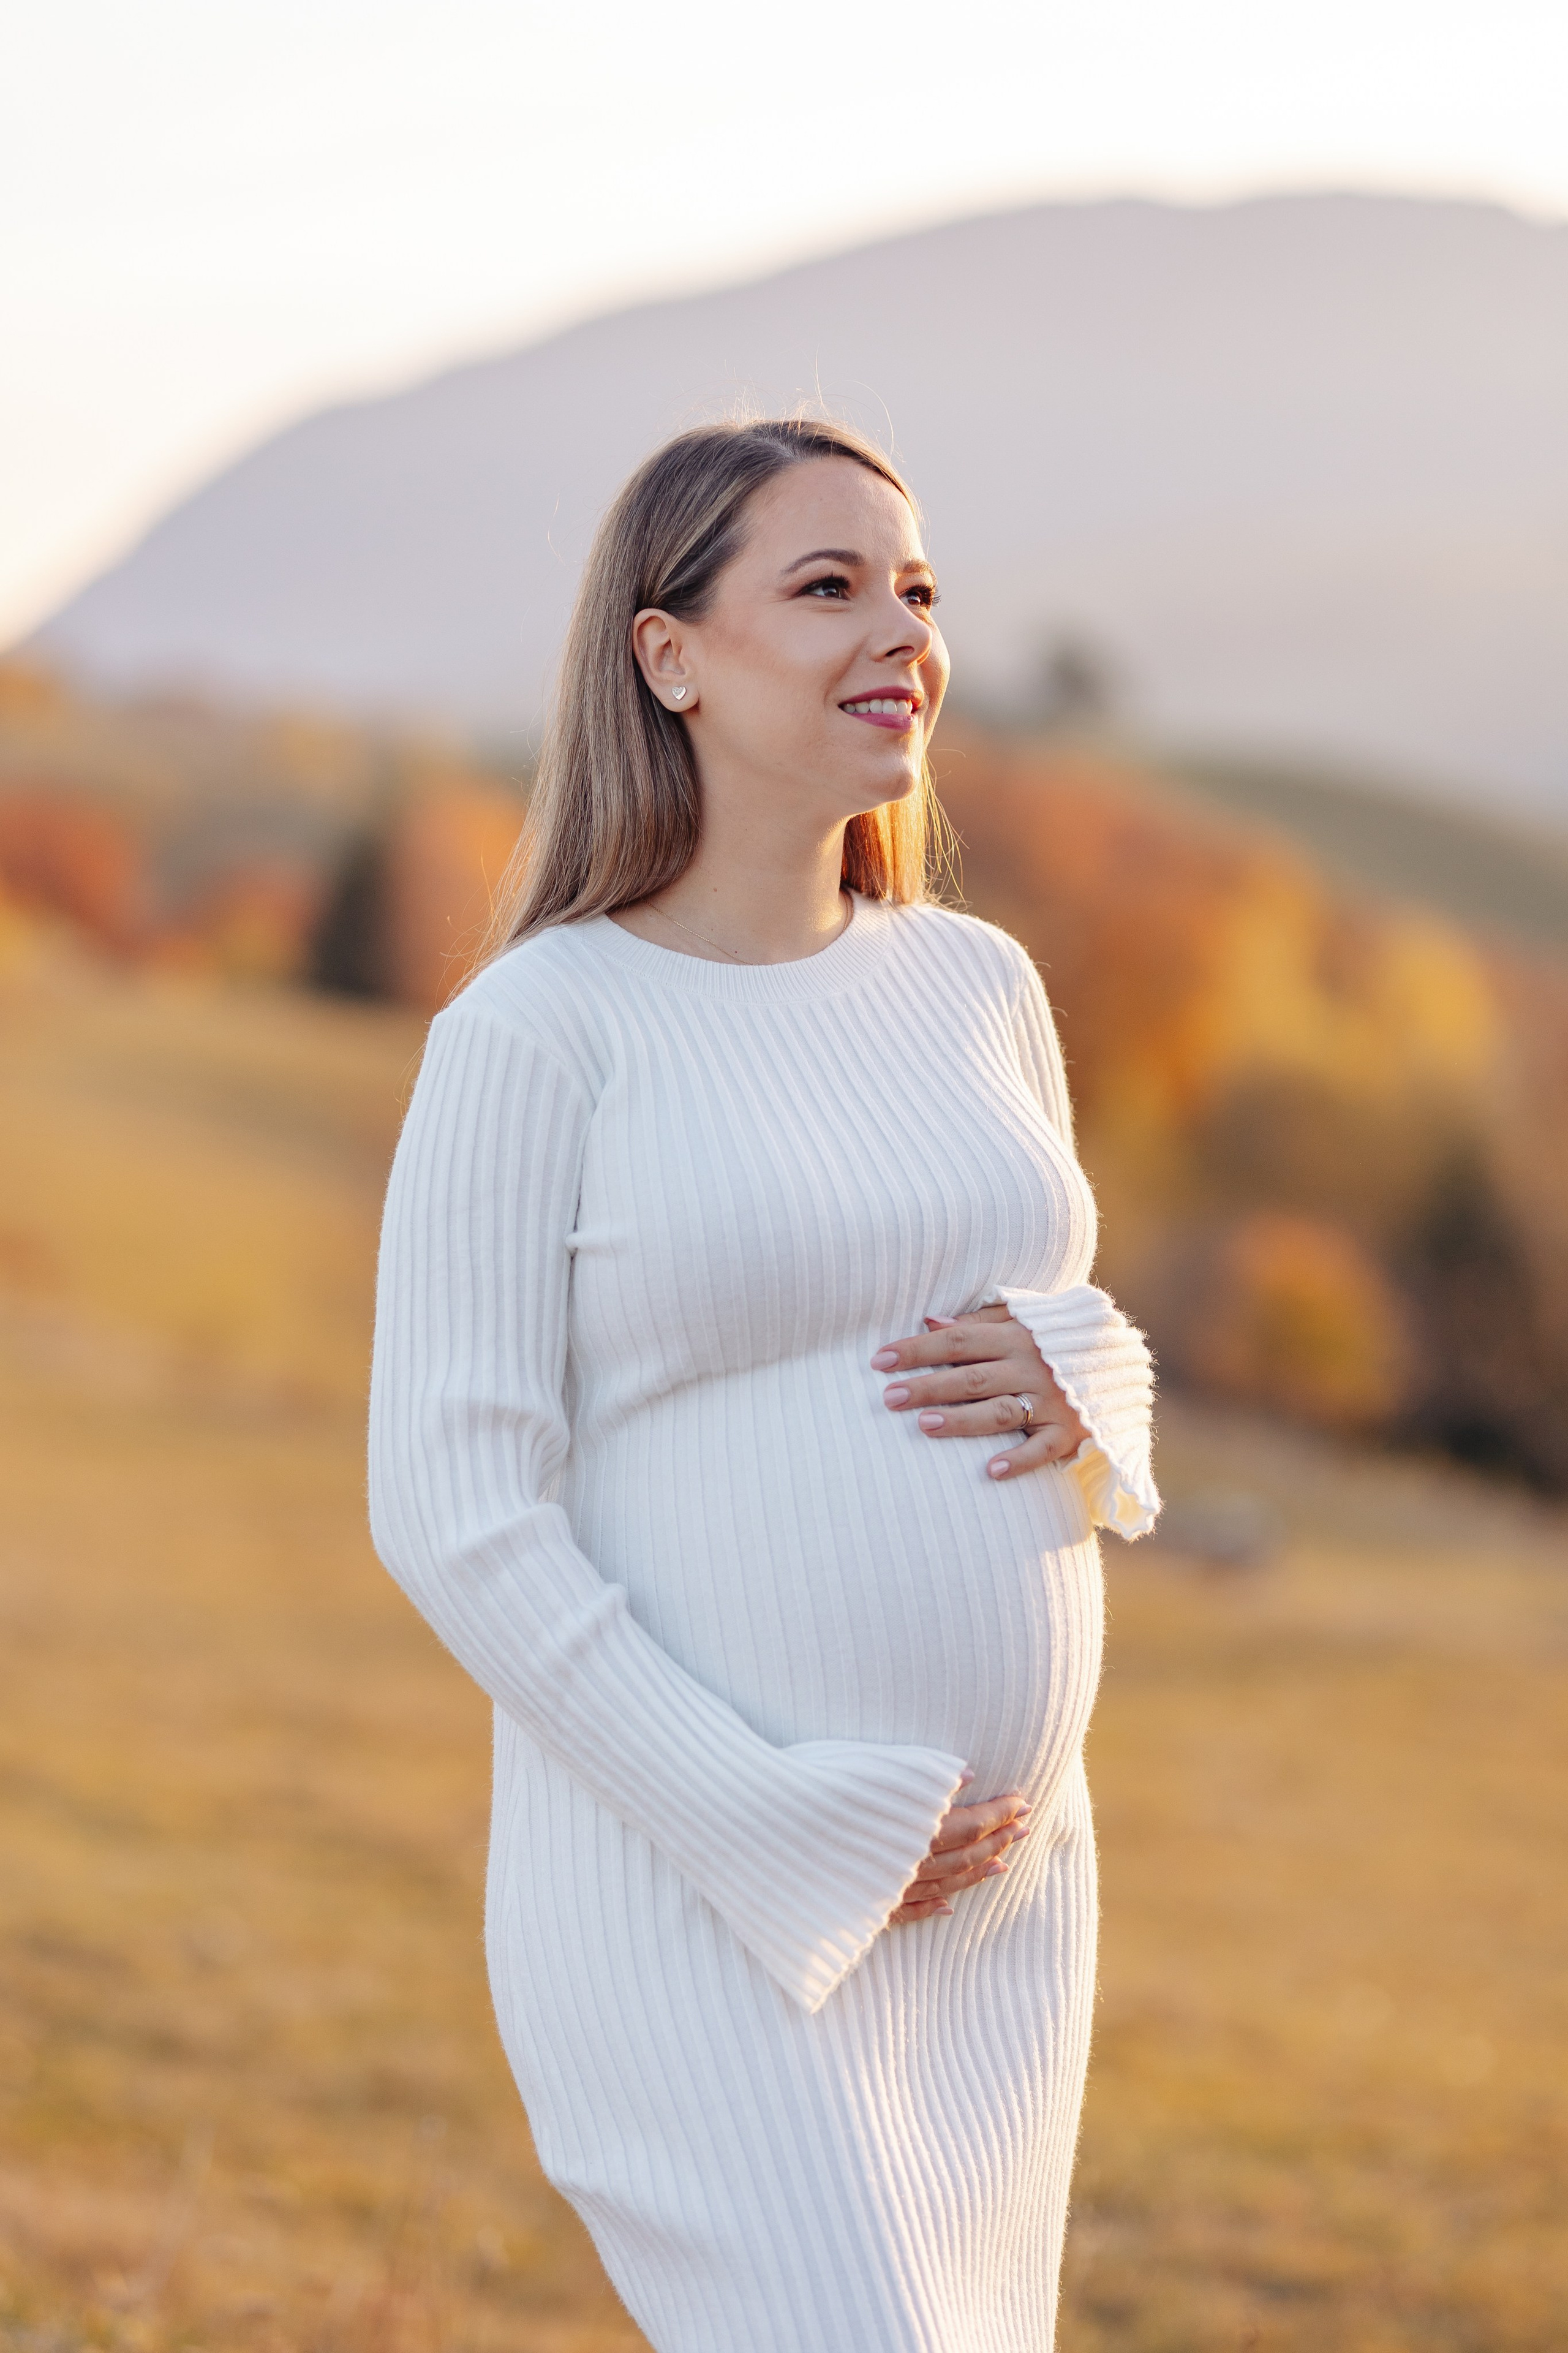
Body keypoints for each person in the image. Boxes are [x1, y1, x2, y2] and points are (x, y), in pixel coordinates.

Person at [368, 416, 1159, 2353]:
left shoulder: (978, 986)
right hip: (713, 1901)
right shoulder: (542, 1030)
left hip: (998, 1904)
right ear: (672, 659)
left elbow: (1055, 1321)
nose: (900, 628)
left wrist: (1088, 1368)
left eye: (917, 588)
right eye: (827, 587)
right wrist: (777, 1818)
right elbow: (454, 1513)